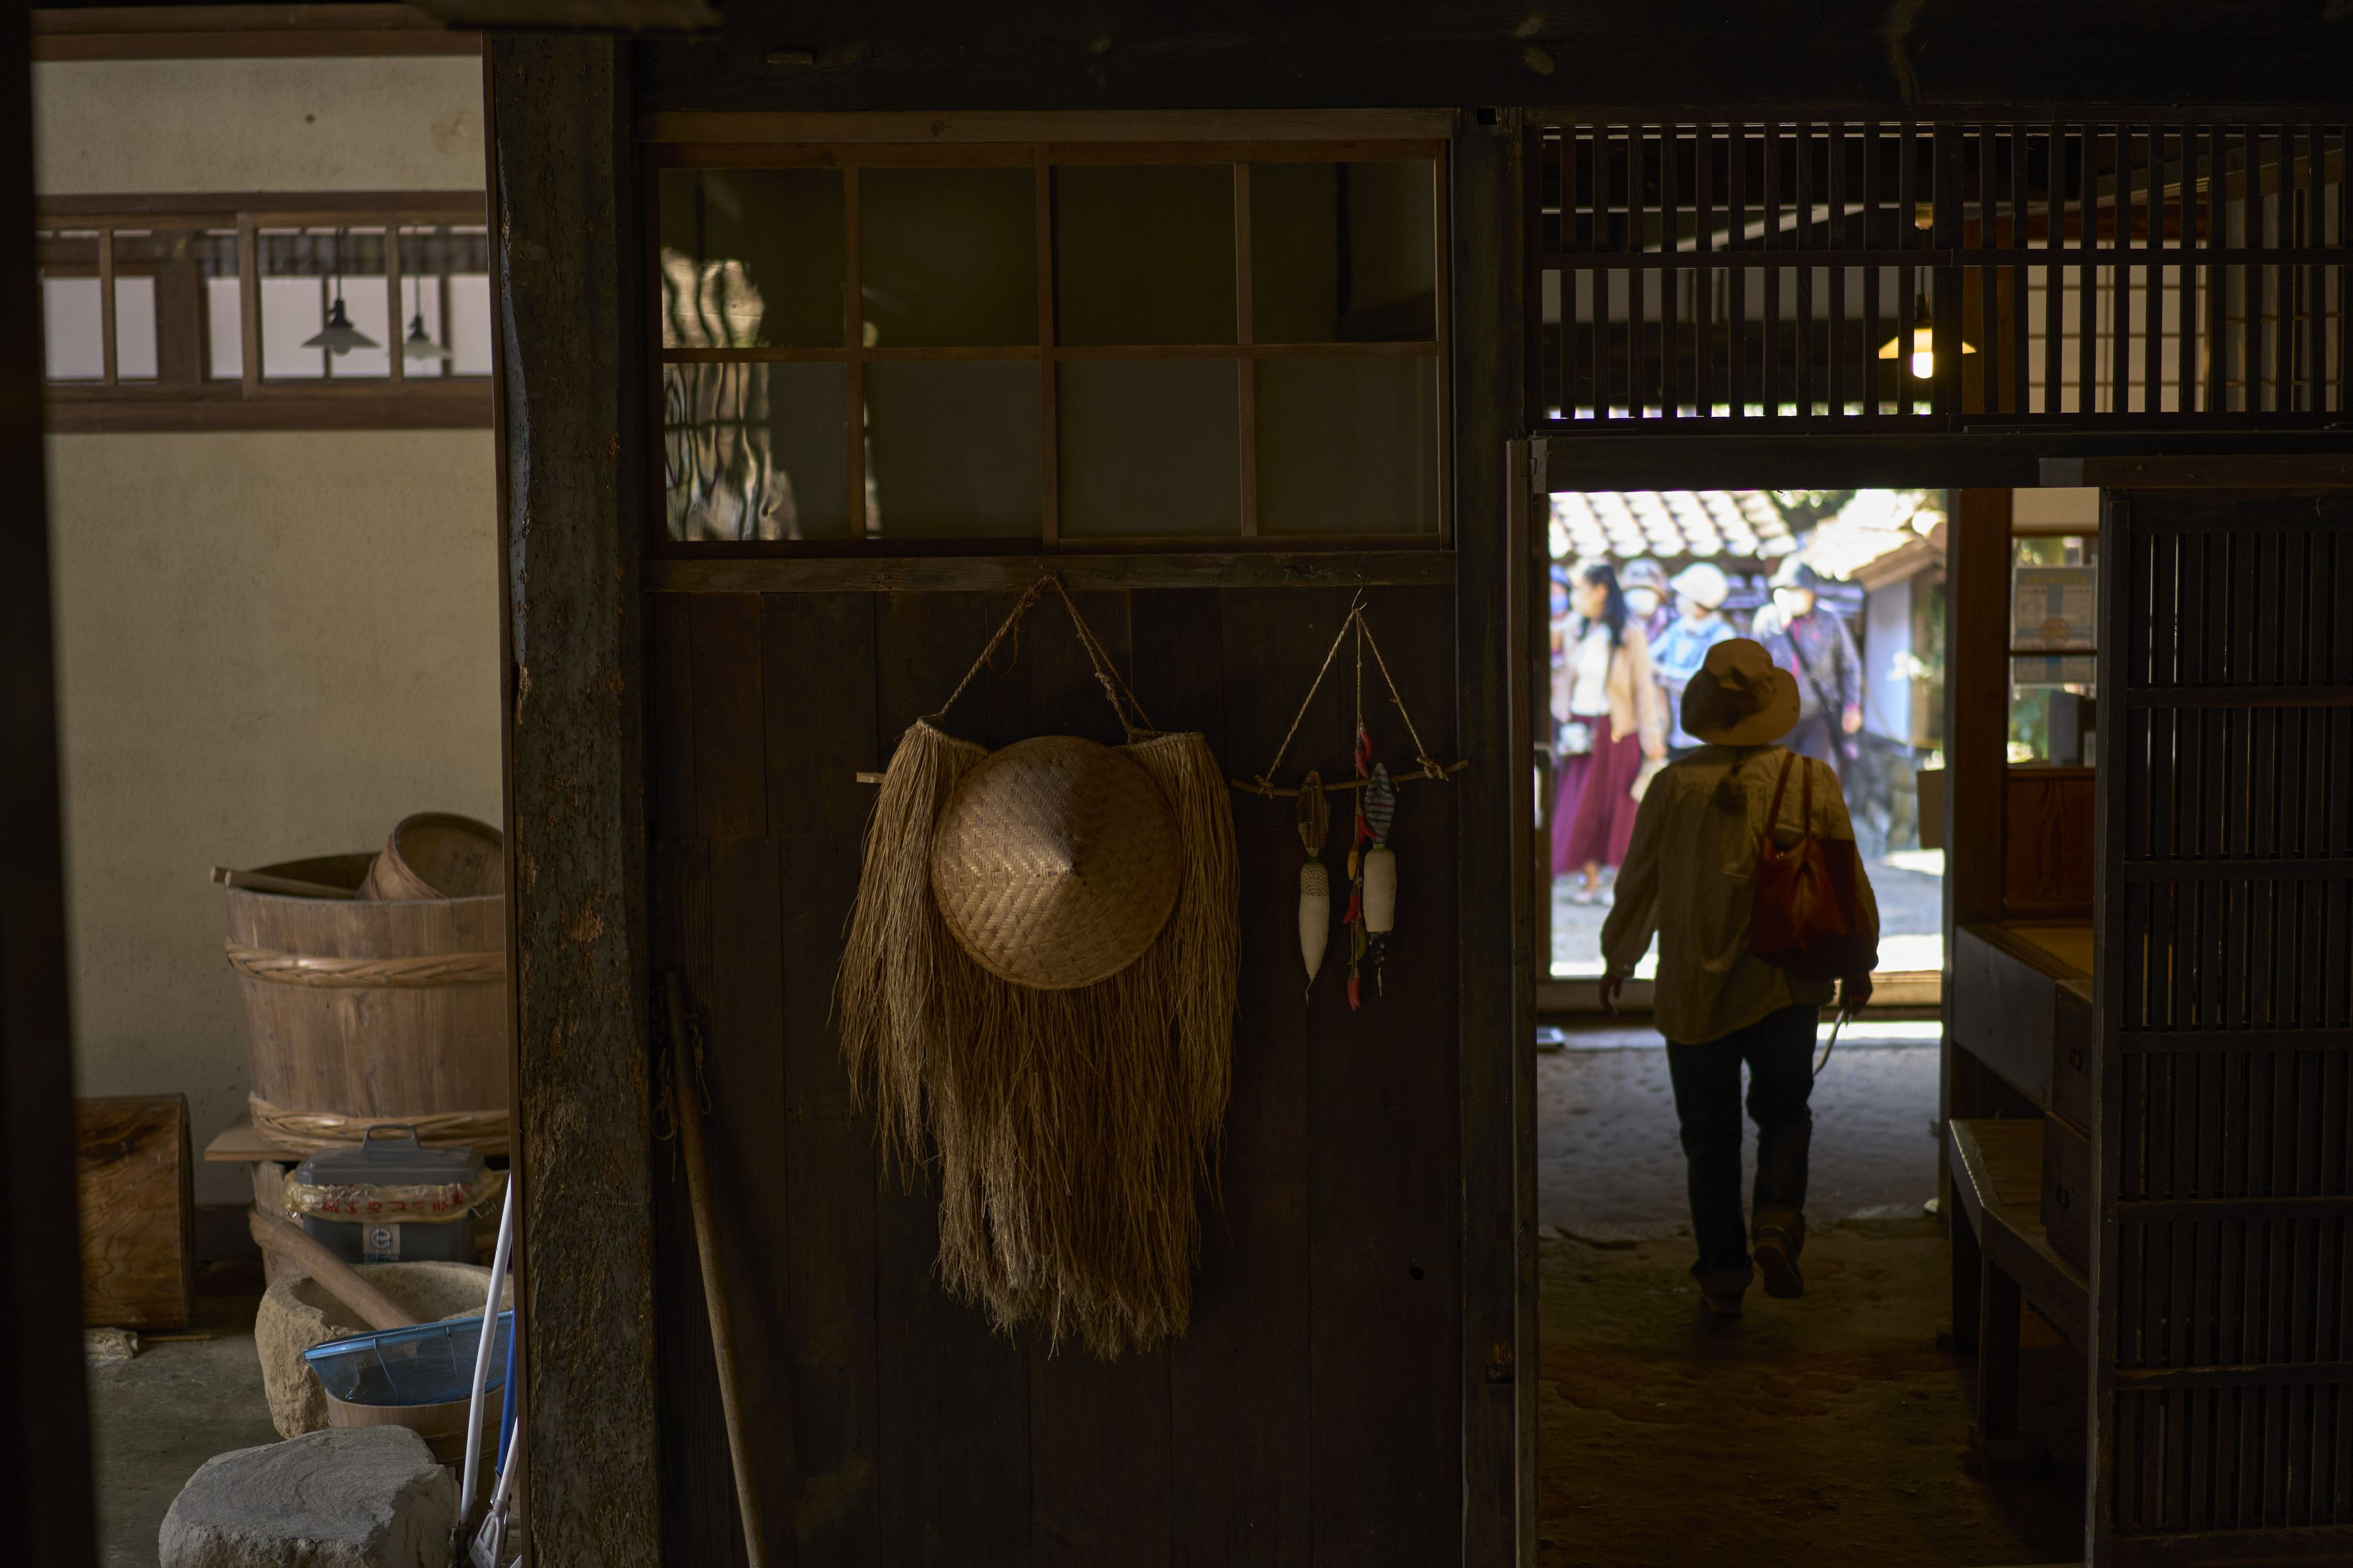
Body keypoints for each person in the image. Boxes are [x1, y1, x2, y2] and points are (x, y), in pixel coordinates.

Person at [1598, 638, 1880, 1318]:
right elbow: (1845, 876)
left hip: (1693, 988)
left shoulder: (1673, 785)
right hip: (1785, 982)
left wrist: (1619, 955)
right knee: (1784, 1113)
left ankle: (1722, 1279)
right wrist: (1857, 961)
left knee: (1709, 1138)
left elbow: (1639, 881)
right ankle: (1777, 1223)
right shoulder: (1811, 779)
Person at [1551, 561, 1666, 904]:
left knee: (1618, 809)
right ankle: (1589, 882)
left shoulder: (1630, 634)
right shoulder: (1575, 628)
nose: (1575, 596)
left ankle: (1617, 883)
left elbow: (1643, 691)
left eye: (1580, 589)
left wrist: (1652, 741)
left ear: (1600, 590)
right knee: (1581, 807)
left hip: (1617, 731)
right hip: (1579, 730)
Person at [1755, 558, 1863, 779]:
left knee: (1810, 778)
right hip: (1776, 717)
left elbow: (1849, 665)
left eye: (1798, 590)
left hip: (1817, 714)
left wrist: (1852, 706)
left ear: (1812, 593)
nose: (1792, 595)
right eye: (1788, 589)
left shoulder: (1829, 620)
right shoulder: (1767, 621)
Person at [1649, 561, 1736, 759]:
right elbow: (1649, 656)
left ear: (1699, 602)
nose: (1678, 599)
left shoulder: (1722, 635)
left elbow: (1701, 681)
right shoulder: (1678, 628)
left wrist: (1661, 672)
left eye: (1684, 595)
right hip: (1675, 732)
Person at [1620, 557, 1675, 648]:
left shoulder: (1672, 623)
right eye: (1635, 590)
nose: (1641, 598)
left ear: (1660, 598)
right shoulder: (1617, 623)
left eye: (1647, 590)